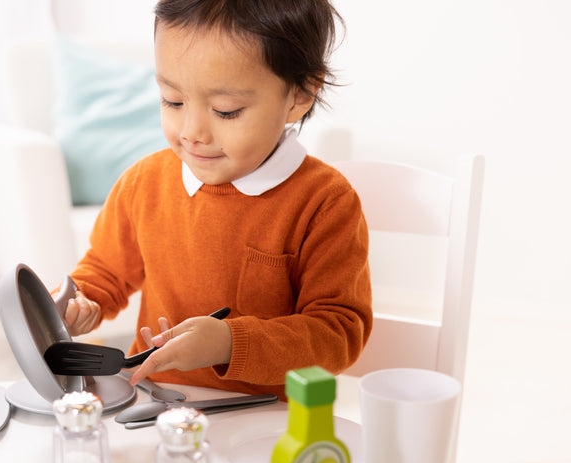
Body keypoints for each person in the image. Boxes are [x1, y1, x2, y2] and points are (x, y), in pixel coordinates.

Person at [60, 0, 372, 400]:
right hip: (153, 398)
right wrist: (81, 304)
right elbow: (103, 273)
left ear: (300, 94)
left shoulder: (325, 202)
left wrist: (229, 342)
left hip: (263, 418)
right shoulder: (145, 182)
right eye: (172, 101)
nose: (192, 132)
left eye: (226, 111)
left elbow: (338, 334)